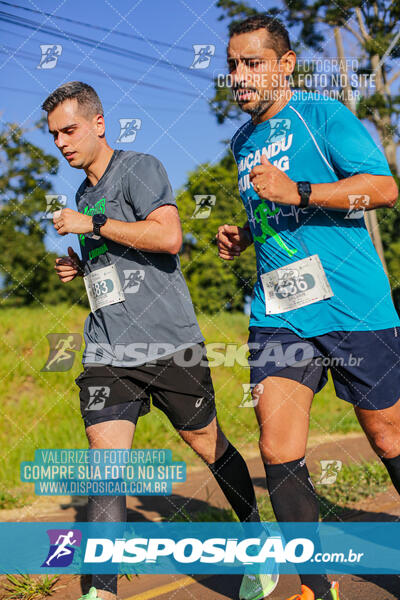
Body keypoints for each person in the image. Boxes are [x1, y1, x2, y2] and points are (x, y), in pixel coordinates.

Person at [42, 81, 278, 600]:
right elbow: (122, 265)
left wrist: (95, 224)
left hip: (168, 344)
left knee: (208, 444)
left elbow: (168, 237)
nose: (61, 142)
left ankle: (257, 536)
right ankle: (99, 591)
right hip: (108, 351)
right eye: (54, 133)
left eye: (70, 129)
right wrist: (83, 266)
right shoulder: (83, 193)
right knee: (106, 470)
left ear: (99, 124)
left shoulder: (140, 168)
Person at [216, 14, 400, 600]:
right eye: (232, 66)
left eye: (252, 63)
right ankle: (315, 588)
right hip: (282, 312)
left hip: (354, 307)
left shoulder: (323, 117)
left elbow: (384, 187)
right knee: (277, 447)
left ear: (285, 64)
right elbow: (273, 210)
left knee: (389, 438)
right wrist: (246, 233)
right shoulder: (241, 143)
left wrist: (298, 191)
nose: (239, 77)